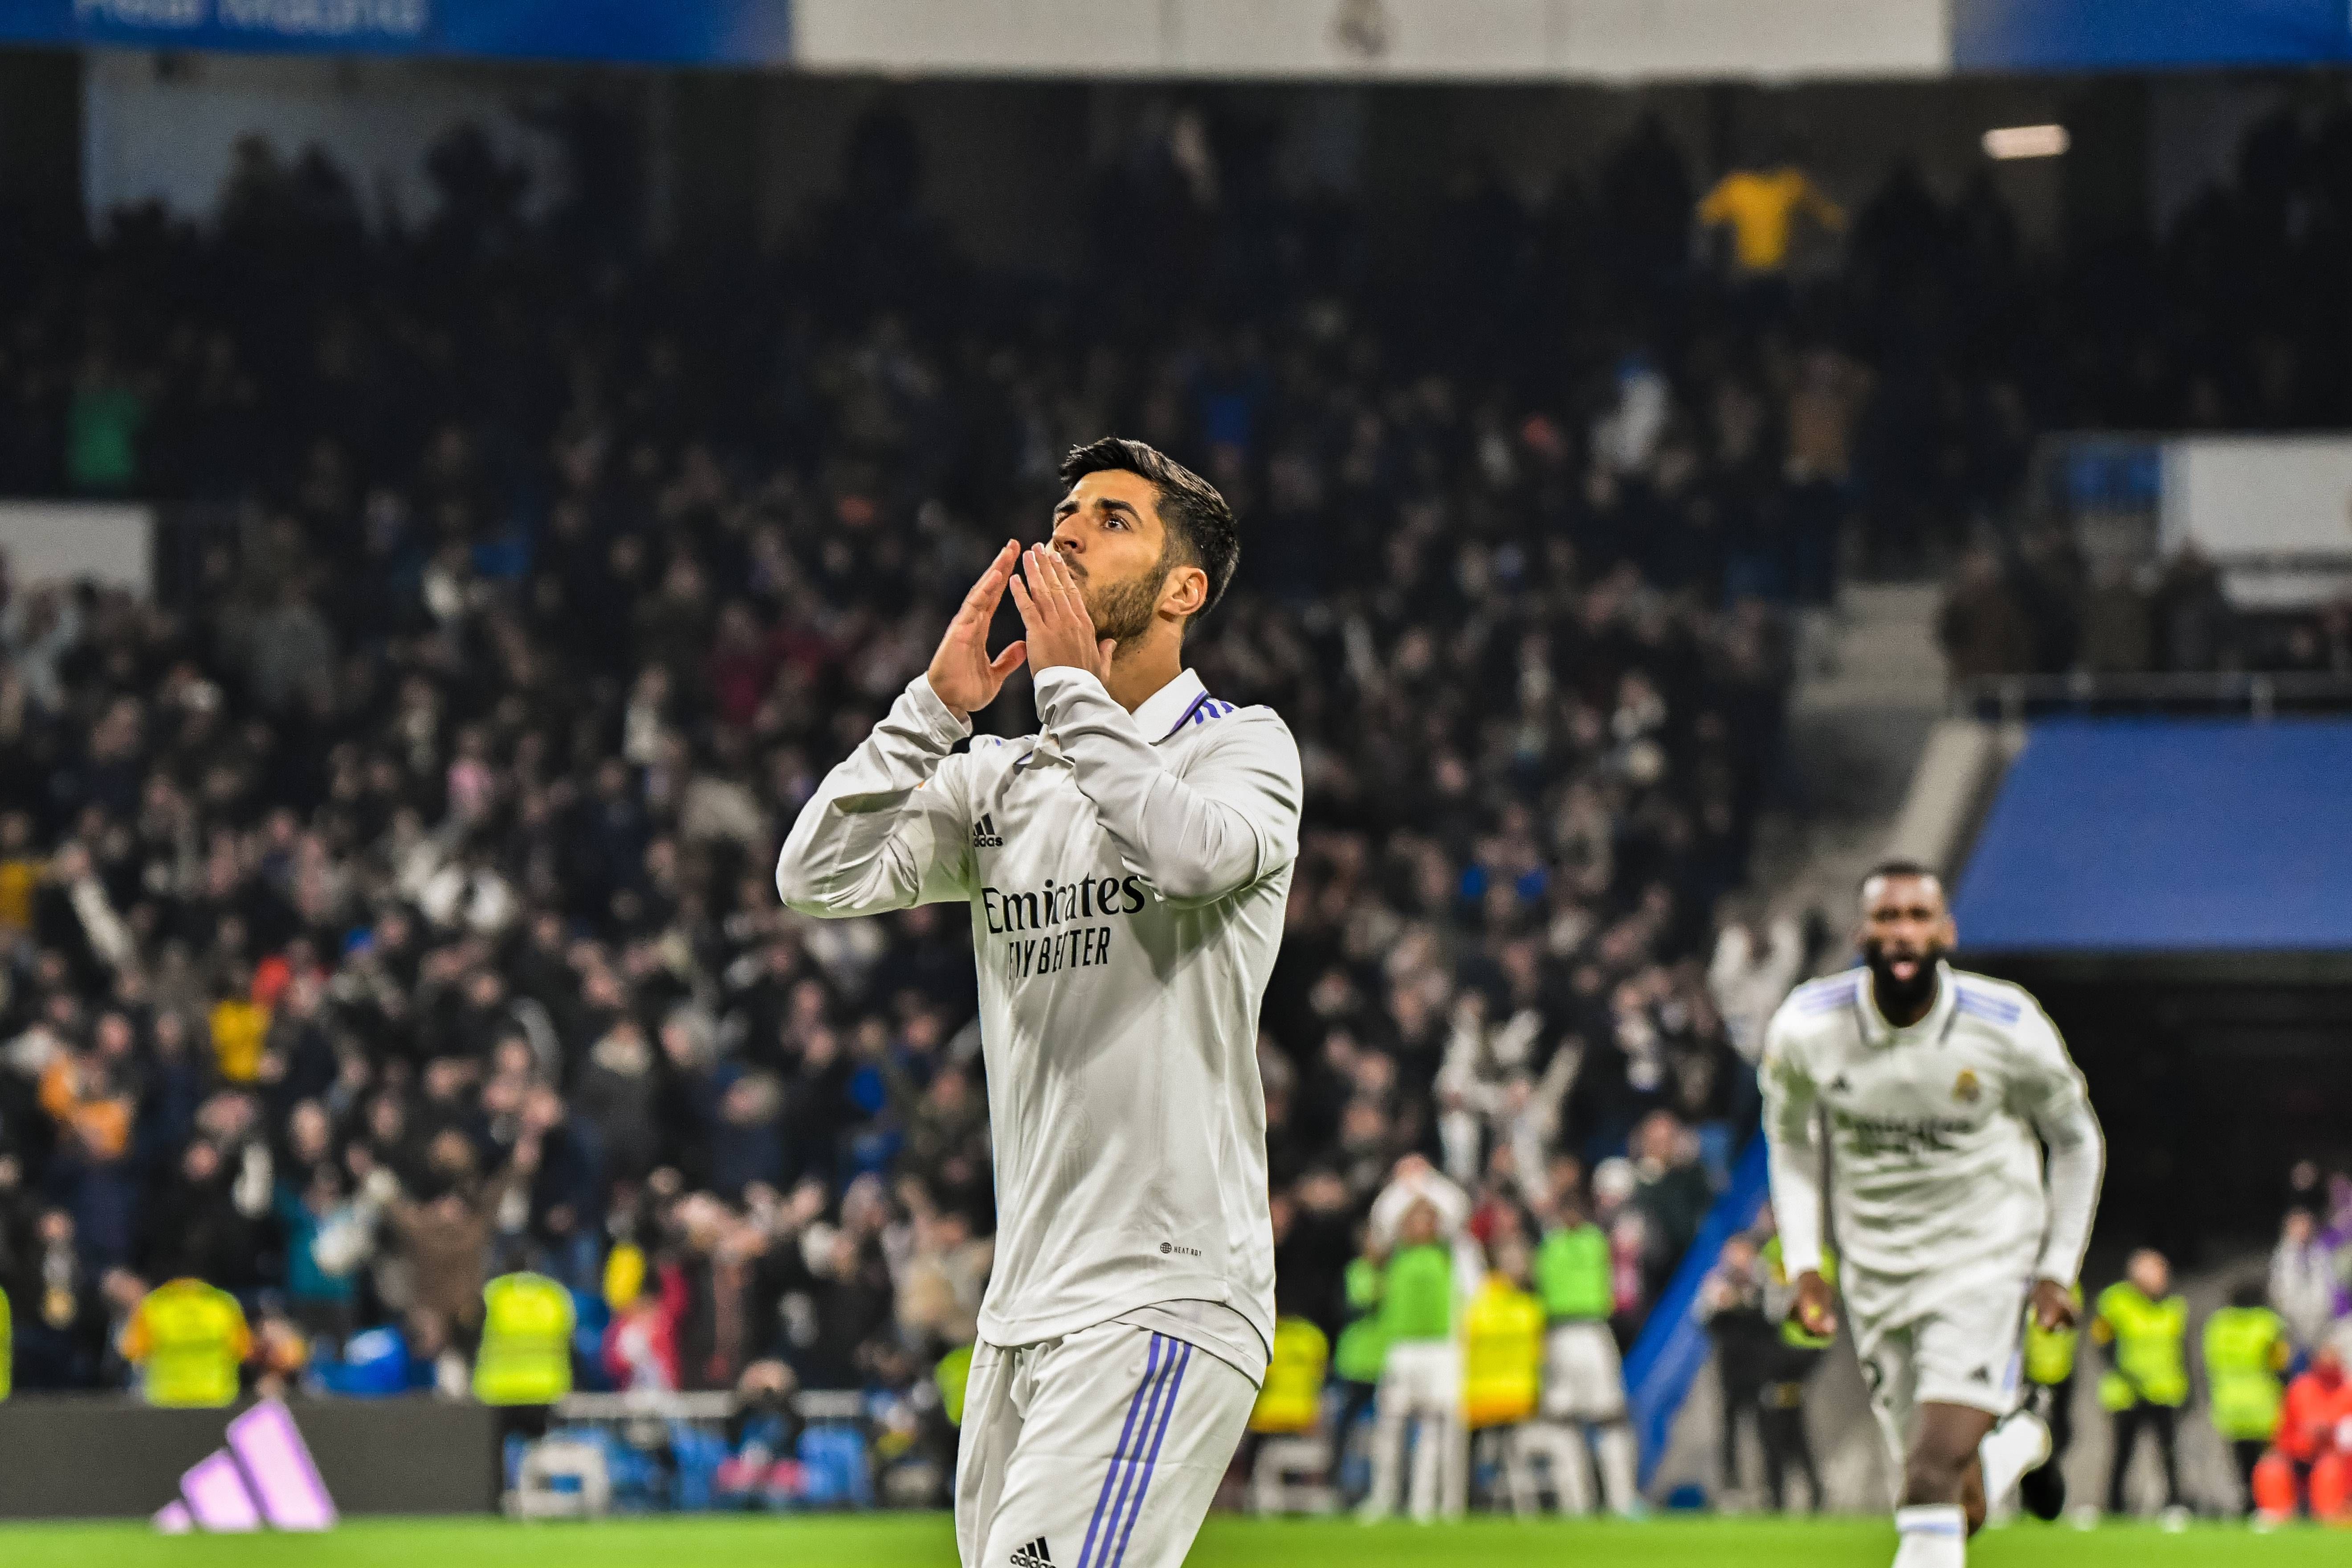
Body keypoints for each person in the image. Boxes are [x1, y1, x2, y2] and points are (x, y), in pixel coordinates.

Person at [777, 439, 1296, 1568]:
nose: (1067, 530)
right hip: (1023, 1308)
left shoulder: (1240, 748)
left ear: (1183, 590)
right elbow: (814, 876)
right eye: (1066, 513)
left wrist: (1067, 690)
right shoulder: (1004, 778)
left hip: (1164, 1288)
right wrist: (932, 708)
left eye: (1112, 518)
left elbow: (1188, 857)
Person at [1761, 860, 2104, 1567]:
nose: (1902, 932)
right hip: (1876, 1273)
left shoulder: (2006, 1025)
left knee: (1926, 1477)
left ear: (1946, 932)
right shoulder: (1807, 1026)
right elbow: (1790, 1138)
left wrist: (2055, 1267)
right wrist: (1803, 1261)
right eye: (1887, 916)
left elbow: (2077, 1140)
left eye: (1917, 916)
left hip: (1985, 1261)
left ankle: (2003, 1435)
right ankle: (2019, 1437)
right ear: (1861, 933)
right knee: (1955, 1502)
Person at [1532, 1185, 1638, 1515]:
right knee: (1567, 1421)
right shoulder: (1565, 1243)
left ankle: (1617, 1501)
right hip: (1565, 1333)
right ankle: (1581, 1503)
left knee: (1606, 1418)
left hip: (1587, 1331)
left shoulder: (1580, 1242)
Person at [1358, 1197, 1465, 1523]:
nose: (1419, 1225)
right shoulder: (1394, 1255)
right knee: (1389, 1426)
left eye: (1426, 1219)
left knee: (1433, 1427)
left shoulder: (1446, 1252)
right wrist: (1407, 1196)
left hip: (1438, 1348)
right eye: (1413, 1219)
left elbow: (1458, 1212)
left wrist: (1423, 1190)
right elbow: (1382, 1223)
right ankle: (1383, 1498)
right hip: (1402, 1347)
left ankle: (1423, 1503)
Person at [2092, 1248, 2189, 1520]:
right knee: (2122, 1452)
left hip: (2164, 1390)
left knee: (2168, 1453)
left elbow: (2182, 1350)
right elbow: (2103, 1343)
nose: (2162, 1278)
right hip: (2127, 1391)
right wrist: (2126, 1374)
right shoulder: (2115, 1301)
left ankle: (2174, 1503)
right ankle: (2113, 1505)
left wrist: (2187, 1387)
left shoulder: (2173, 1306)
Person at [2201, 1281, 2288, 1516]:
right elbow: (2280, 1364)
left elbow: (2209, 1363)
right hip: (2262, 1401)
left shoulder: (2218, 1325)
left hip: (2229, 1402)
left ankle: (2247, 1503)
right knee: (2266, 1460)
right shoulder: (2268, 1325)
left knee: (2240, 1460)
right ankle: (2266, 1504)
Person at [1760, 1228, 1831, 1513]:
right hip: (1781, 1356)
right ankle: (1797, 1494)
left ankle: (1789, 1495)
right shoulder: (1772, 1251)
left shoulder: (1817, 1255)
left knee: (1785, 1430)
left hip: (1796, 1354)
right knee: (1788, 1430)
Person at [2253, 1344, 2352, 1522]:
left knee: (2329, 1469)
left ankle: (2330, 1514)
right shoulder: (2300, 1388)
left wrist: (2330, 1431)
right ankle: (2277, 1515)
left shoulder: (2348, 1391)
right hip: (2297, 1454)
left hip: (2334, 1457)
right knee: (2271, 1468)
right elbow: (2286, 1429)